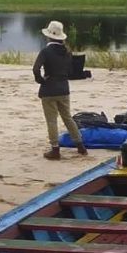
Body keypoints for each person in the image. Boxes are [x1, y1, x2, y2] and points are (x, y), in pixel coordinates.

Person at [33, 20, 87, 160]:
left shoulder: (46, 51)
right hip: (64, 88)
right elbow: (70, 71)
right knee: (68, 118)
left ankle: (55, 149)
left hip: (49, 89)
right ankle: (80, 145)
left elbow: (36, 68)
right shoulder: (67, 52)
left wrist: (41, 80)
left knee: (51, 121)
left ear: (49, 36)